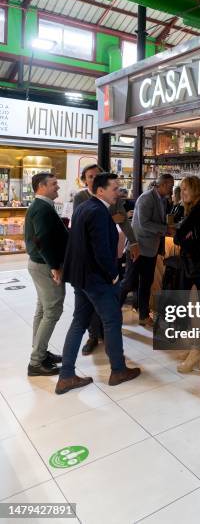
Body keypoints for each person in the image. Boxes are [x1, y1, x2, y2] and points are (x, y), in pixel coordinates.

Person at [55, 173, 141, 395]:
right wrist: (113, 275)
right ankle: (118, 370)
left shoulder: (86, 207)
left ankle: (65, 375)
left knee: (79, 322)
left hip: (81, 277)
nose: (119, 191)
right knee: (112, 321)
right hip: (96, 279)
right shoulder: (98, 212)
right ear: (100, 190)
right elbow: (102, 250)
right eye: (114, 188)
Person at [74, 164, 138, 355]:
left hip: (113, 251)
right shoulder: (81, 198)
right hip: (91, 260)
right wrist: (114, 217)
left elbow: (123, 219)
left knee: (108, 302)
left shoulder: (110, 195)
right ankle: (95, 337)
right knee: (92, 304)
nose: (93, 179)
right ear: (85, 179)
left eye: (96, 175)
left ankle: (106, 337)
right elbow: (110, 218)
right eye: (90, 176)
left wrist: (133, 242)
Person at [25, 172, 69, 376]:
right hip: (44, 265)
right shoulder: (42, 209)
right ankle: (36, 362)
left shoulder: (41, 206)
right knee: (52, 310)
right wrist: (54, 266)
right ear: (41, 187)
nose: (57, 188)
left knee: (43, 310)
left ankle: (40, 354)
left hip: (38, 264)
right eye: (54, 185)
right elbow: (42, 241)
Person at [120, 174, 174, 327]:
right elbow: (144, 224)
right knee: (129, 282)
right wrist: (165, 230)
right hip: (137, 247)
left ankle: (143, 316)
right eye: (170, 185)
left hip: (150, 248)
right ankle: (111, 312)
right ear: (162, 185)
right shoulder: (146, 198)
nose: (172, 188)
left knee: (146, 282)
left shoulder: (161, 199)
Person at [174, 176, 200, 374]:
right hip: (195, 263)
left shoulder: (197, 210)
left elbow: (179, 236)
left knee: (194, 307)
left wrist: (181, 233)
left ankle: (197, 350)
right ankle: (195, 349)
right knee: (192, 306)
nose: (182, 193)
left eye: (186, 189)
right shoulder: (197, 209)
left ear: (196, 190)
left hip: (195, 265)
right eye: (181, 189)